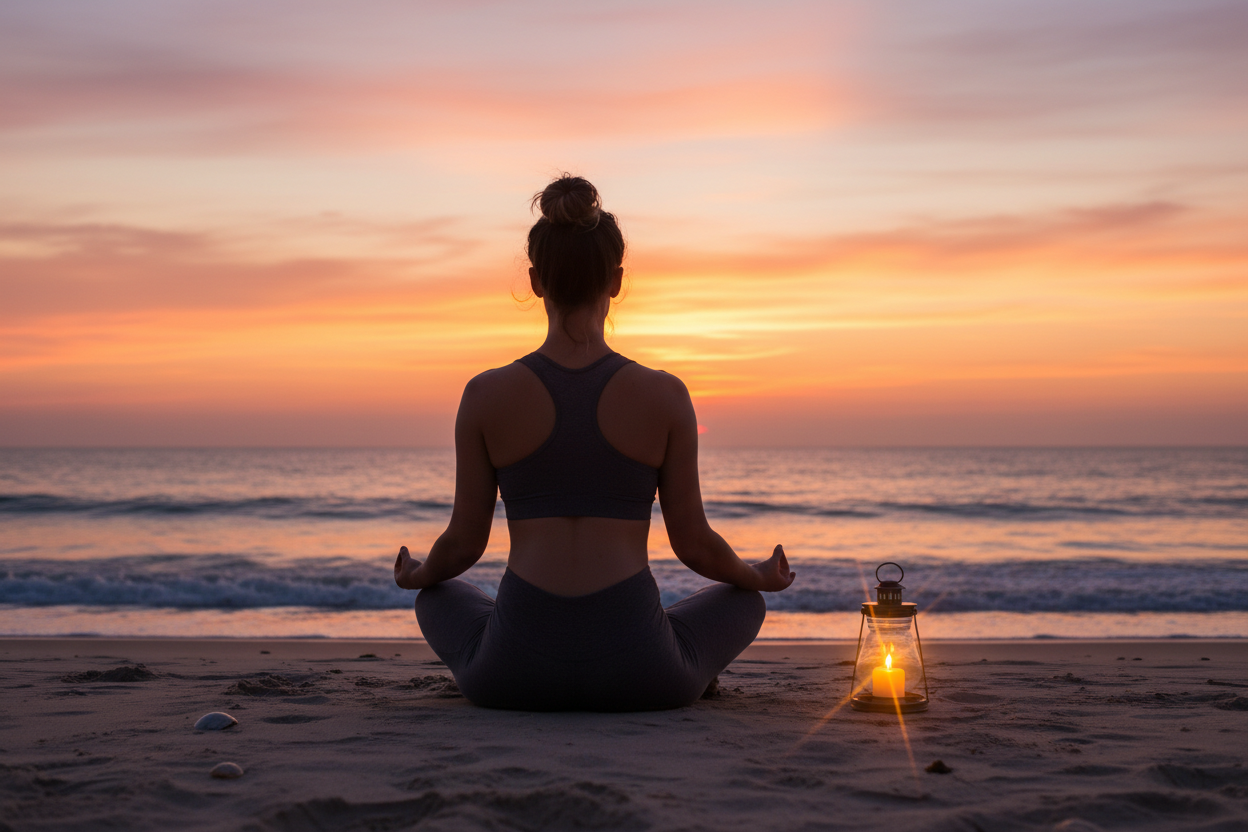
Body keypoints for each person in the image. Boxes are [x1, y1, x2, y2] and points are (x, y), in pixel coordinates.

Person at [393, 174, 795, 711]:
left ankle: (496, 653)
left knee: (435, 596)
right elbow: (693, 543)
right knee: (746, 604)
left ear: (536, 281)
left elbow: (463, 545)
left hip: (511, 675)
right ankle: (690, 671)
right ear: (616, 281)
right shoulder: (666, 395)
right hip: (643, 676)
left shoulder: (485, 395)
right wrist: (757, 575)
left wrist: (418, 574)